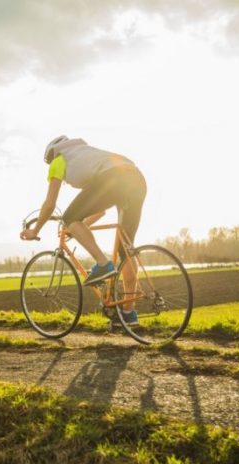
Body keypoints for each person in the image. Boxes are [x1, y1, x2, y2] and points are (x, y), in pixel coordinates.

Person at [19, 135, 147, 326]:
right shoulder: (85, 156)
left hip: (114, 178)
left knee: (69, 217)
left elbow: (49, 204)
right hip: (136, 179)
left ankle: (103, 264)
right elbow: (100, 210)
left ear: (51, 155)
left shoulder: (59, 159)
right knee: (126, 250)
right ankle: (129, 313)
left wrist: (36, 230)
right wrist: (78, 228)